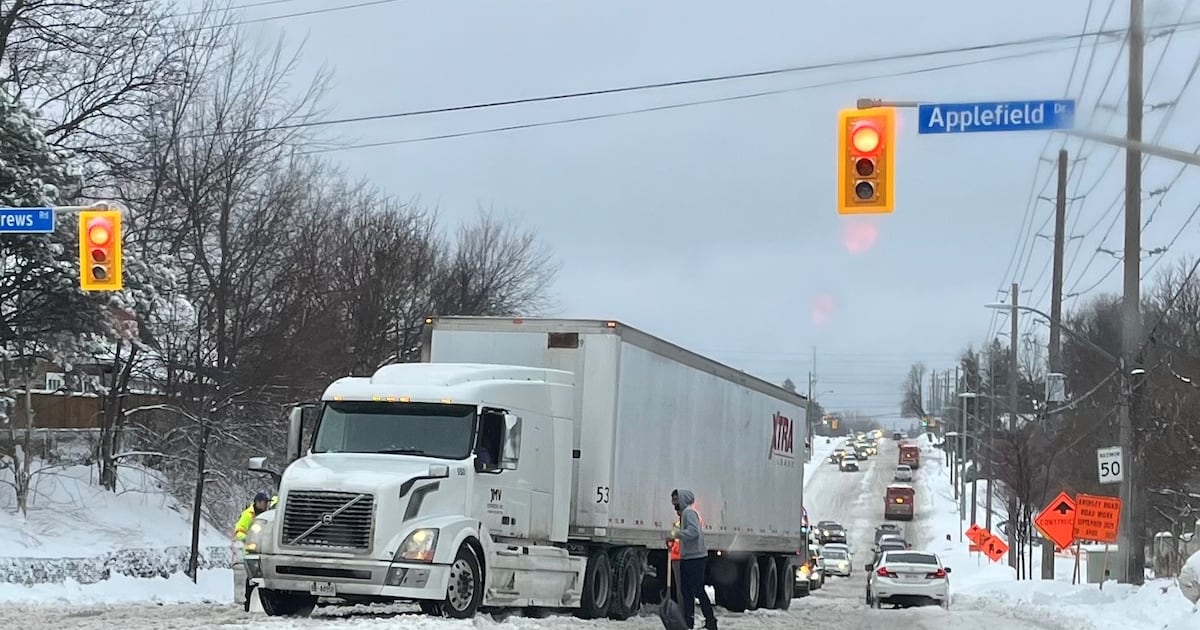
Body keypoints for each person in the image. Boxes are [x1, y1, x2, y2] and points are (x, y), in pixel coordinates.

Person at [667, 489, 717, 630]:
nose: (674, 503)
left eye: (676, 500)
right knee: (688, 590)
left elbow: (694, 532)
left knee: (695, 590)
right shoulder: (685, 514)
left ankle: (708, 620)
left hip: (694, 558)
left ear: (682, 499)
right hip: (690, 557)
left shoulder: (689, 513)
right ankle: (691, 621)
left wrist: (676, 534)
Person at [234, 491, 277, 611]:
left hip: (264, 550)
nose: (265, 505)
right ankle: (248, 603)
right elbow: (239, 531)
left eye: (266, 503)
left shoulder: (268, 514)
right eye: (263, 502)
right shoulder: (248, 515)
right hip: (252, 551)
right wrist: (248, 539)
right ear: (257, 502)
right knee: (252, 579)